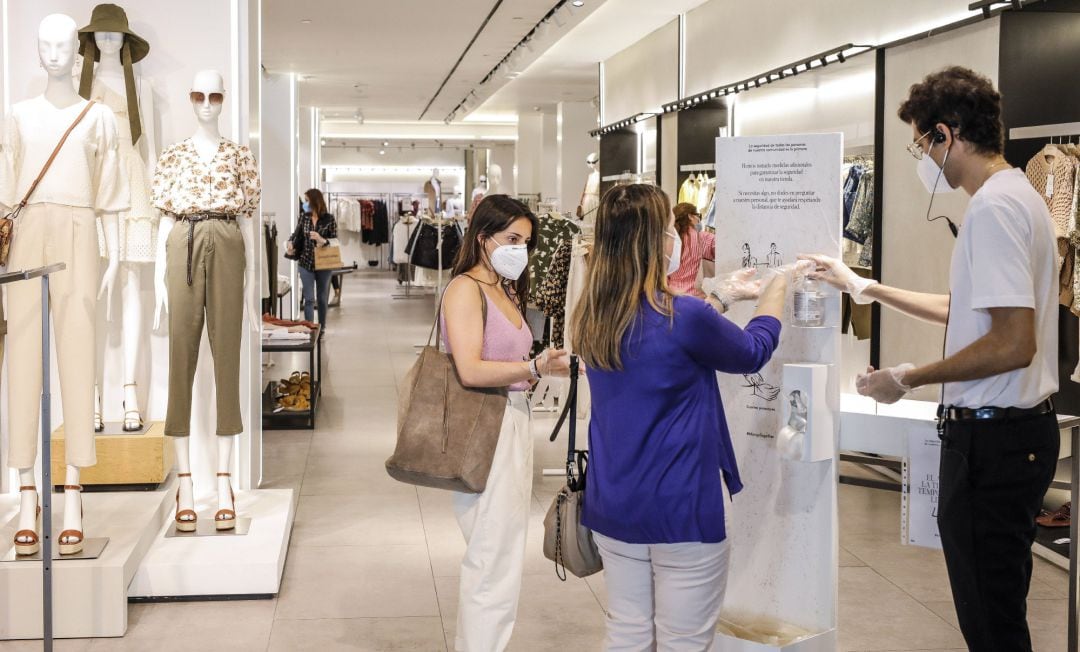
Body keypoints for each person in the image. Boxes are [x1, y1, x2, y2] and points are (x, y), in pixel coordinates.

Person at [803, 66, 1058, 652]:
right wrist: (865, 288)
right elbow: (968, 309)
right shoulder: (1018, 195)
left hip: (993, 444)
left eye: (922, 142)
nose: (923, 157)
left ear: (946, 134)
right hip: (1016, 437)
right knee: (998, 607)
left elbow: (1013, 343)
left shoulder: (994, 210)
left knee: (990, 621)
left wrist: (907, 377)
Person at [571, 184, 788, 650]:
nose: (677, 239)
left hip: (614, 500)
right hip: (681, 503)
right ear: (654, 241)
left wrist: (721, 298)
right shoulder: (682, 315)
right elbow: (751, 351)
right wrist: (776, 291)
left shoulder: (591, 316)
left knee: (626, 630)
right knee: (684, 640)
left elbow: (666, 339)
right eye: (671, 229)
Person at [440, 194, 571, 651]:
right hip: (484, 425)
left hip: (511, 420)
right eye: (512, 238)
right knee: (491, 555)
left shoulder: (505, 288)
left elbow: (509, 360)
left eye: (527, 241)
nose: (521, 249)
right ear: (483, 237)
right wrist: (533, 369)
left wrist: (539, 367)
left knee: (502, 552)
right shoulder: (464, 289)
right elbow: (471, 370)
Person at [287, 188, 337, 327]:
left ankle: (321, 328)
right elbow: (296, 234)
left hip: (324, 263)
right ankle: (309, 328)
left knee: (321, 298)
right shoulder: (304, 217)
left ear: (315, 201)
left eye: (307, 201)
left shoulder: (329, 218)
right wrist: (290, 242)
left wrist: (322, 239)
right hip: (305, 262)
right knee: (309, 299)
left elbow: (335, 241)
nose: (305, 204)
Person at [666, 201, 716, 298]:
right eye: (698, 216)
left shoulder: (669, 239)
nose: (699, 220)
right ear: (690, 216)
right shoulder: (703, 238)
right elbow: (723, 251)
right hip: (695, 296)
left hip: (671, 294)